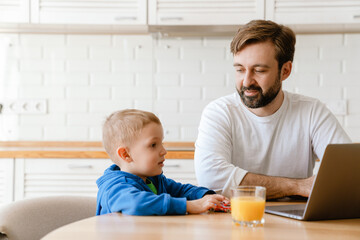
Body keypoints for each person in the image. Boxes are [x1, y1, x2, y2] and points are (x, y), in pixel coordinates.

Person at [194, 20, 352, 199]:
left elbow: (349, 171)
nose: (246, 81)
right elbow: (211, 179)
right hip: (235, 219)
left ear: (285, 70)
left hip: (296, 223)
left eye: (259, 70)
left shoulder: (312, 111)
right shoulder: (219, 112)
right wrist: (296, 186)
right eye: (239, 70)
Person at [96, 109, 228, 216]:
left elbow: (182, 190)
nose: (163, 151)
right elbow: (136, 204)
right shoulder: (114, 187)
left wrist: (208, 197)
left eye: (161, 143)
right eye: (153, 145)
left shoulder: (154, 180)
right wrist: (190, 205)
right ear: (126, 155)